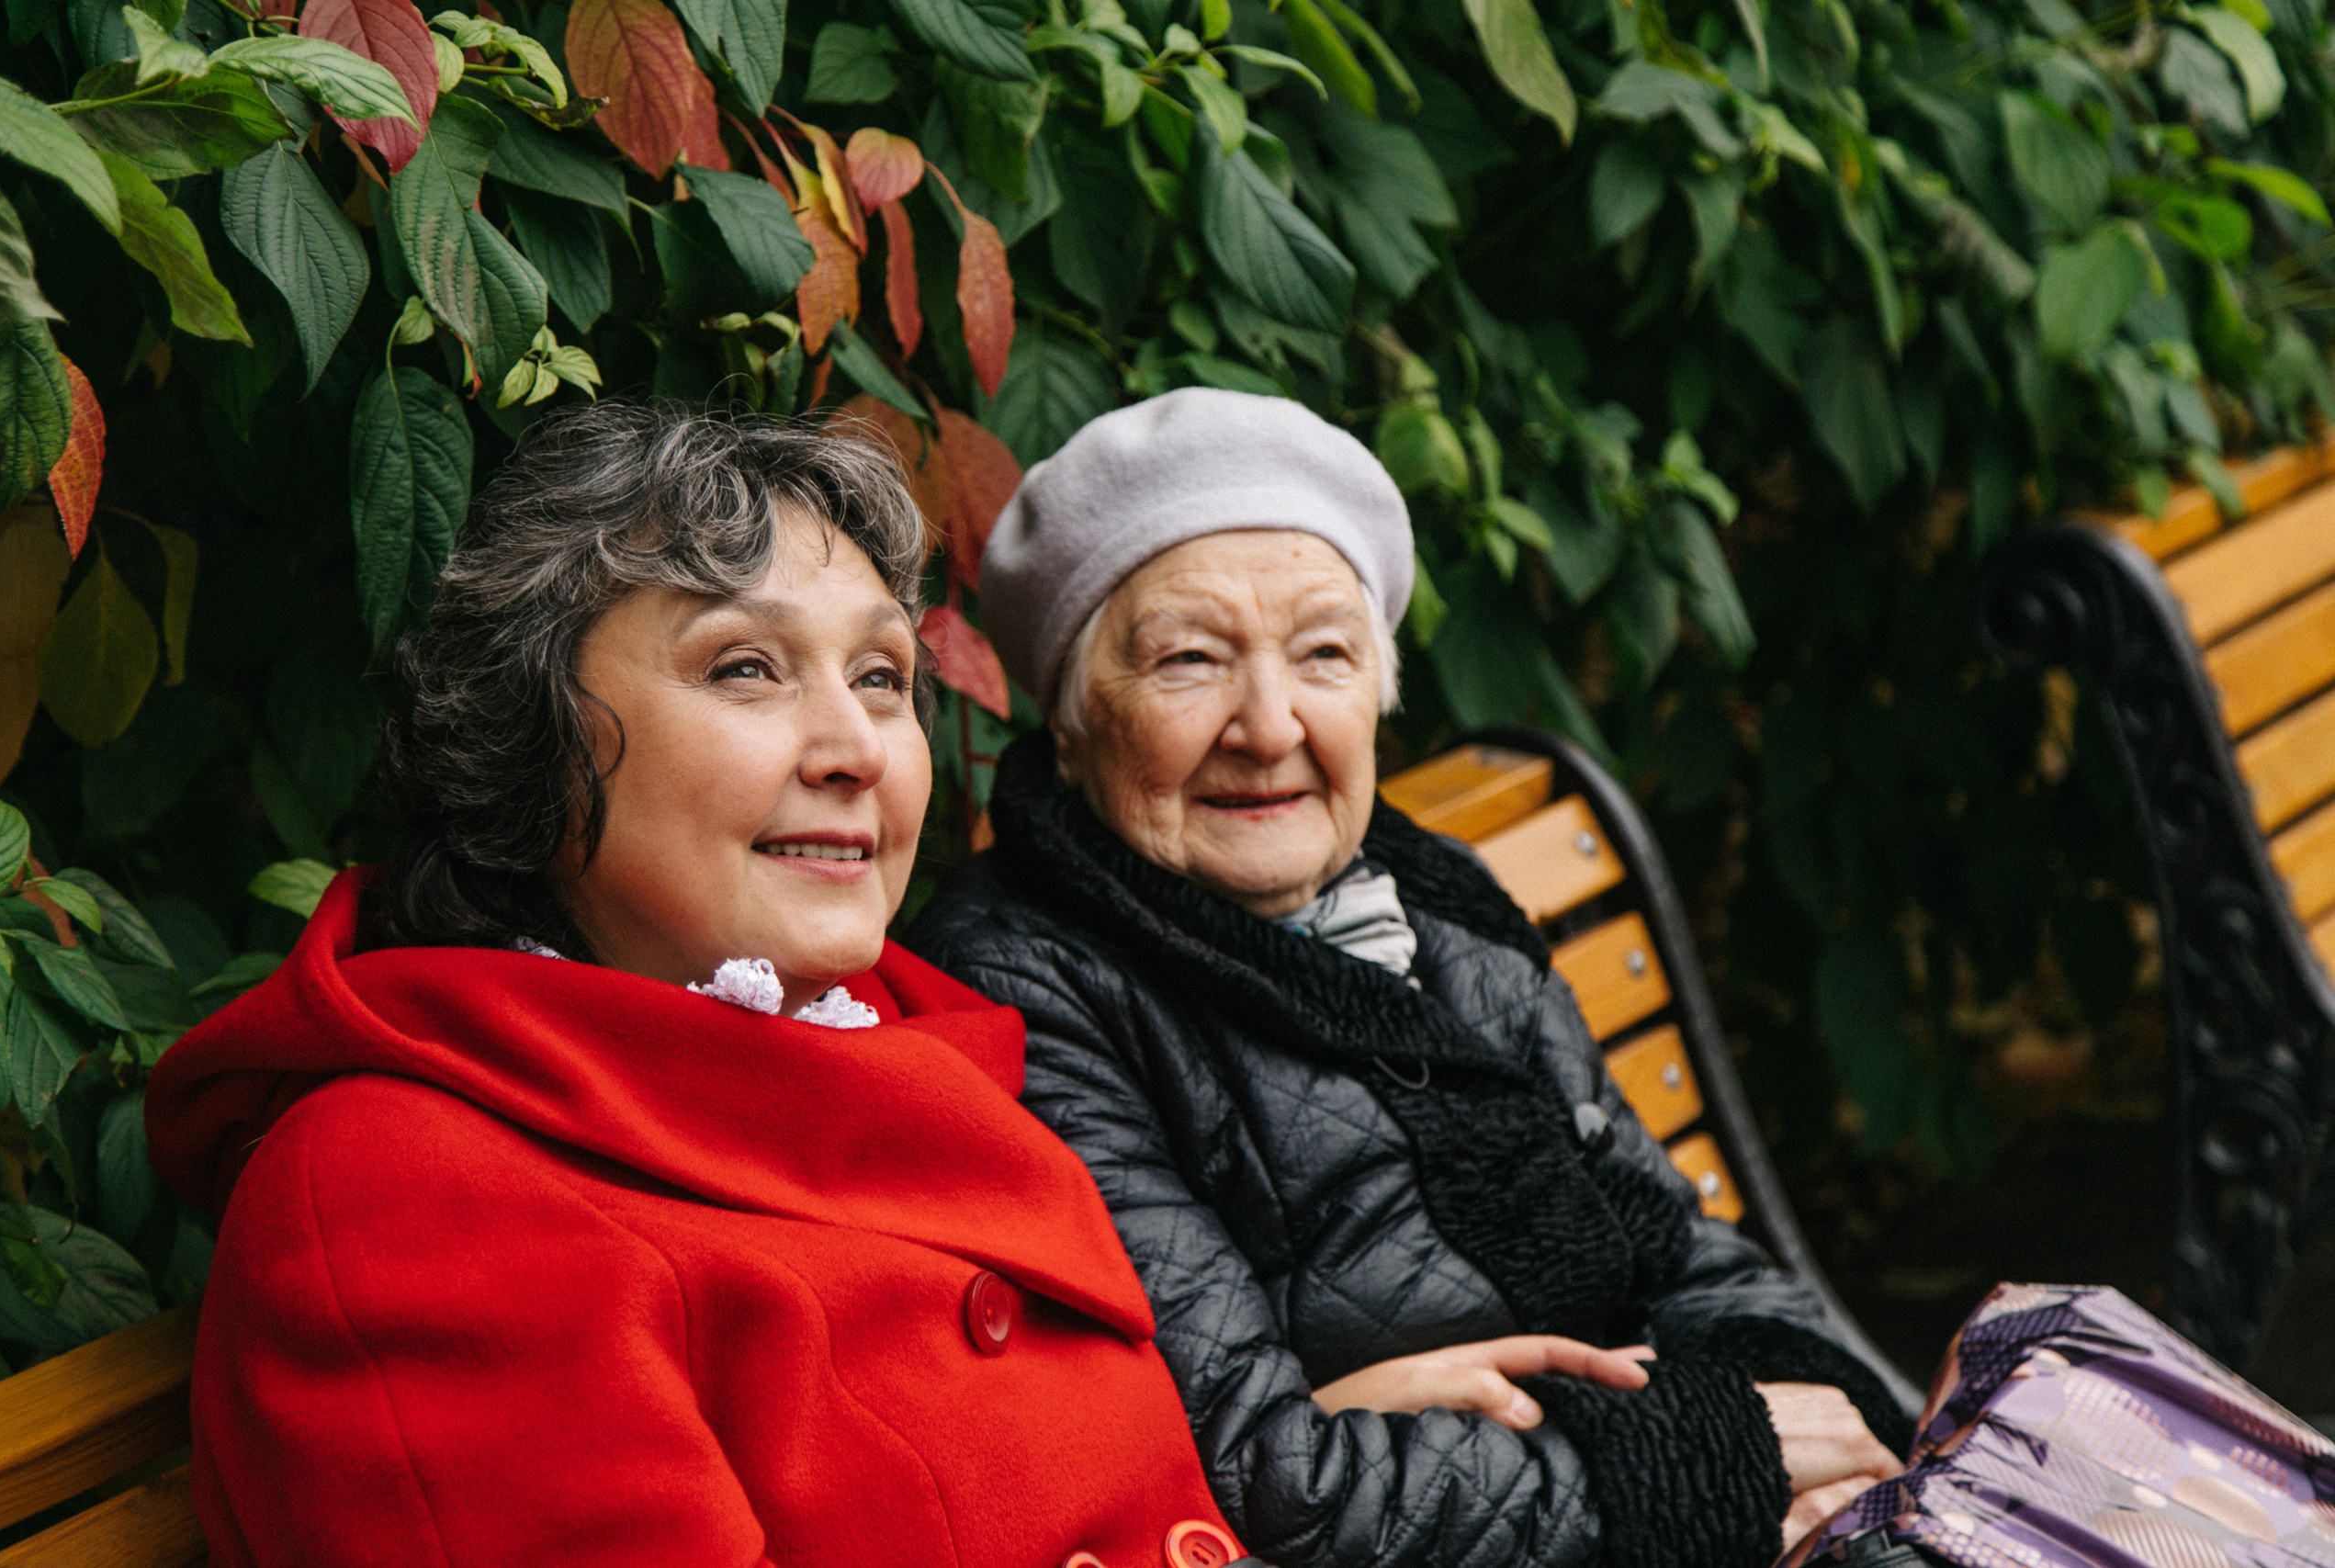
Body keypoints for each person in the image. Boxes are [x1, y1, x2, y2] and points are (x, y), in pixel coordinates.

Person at [145, 405, 1257, 1568]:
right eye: (745, 668)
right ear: (535, 744)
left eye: (881, 677)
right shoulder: (398, 1191)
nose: (858, 748)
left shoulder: (916, 1040)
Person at [908, 388, 1913, 1568]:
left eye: (1323, 655)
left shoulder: (1436, 901)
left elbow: (1676, 1248)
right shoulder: (1026, 993)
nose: (1270, 725)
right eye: (1189, 660)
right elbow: (1260, 1475)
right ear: (1075, 721)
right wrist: (1712, 1466)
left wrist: (1828, 1432)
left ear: (1375, 695)